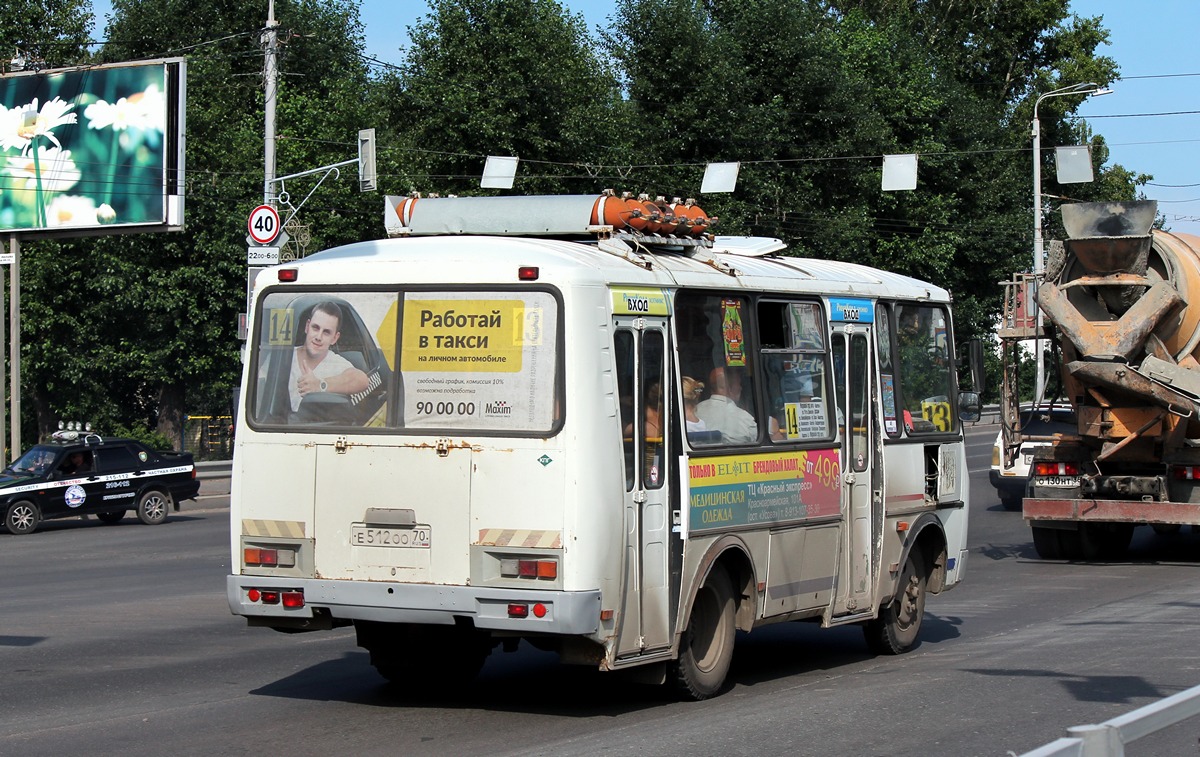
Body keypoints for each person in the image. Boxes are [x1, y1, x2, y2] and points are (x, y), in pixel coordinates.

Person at [288, 301, 370, 413]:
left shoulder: (335, 364)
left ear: (335, 338)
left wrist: (320, 385)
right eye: (315, 328)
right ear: (307, 327)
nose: (318, 337)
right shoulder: (285, 356)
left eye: (326, 332)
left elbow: (362, 380)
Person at [696, 366, 758, 443]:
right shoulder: (745, 419)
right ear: (729, 388)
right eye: (739, 384)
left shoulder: (695, 411)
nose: (741, 388)